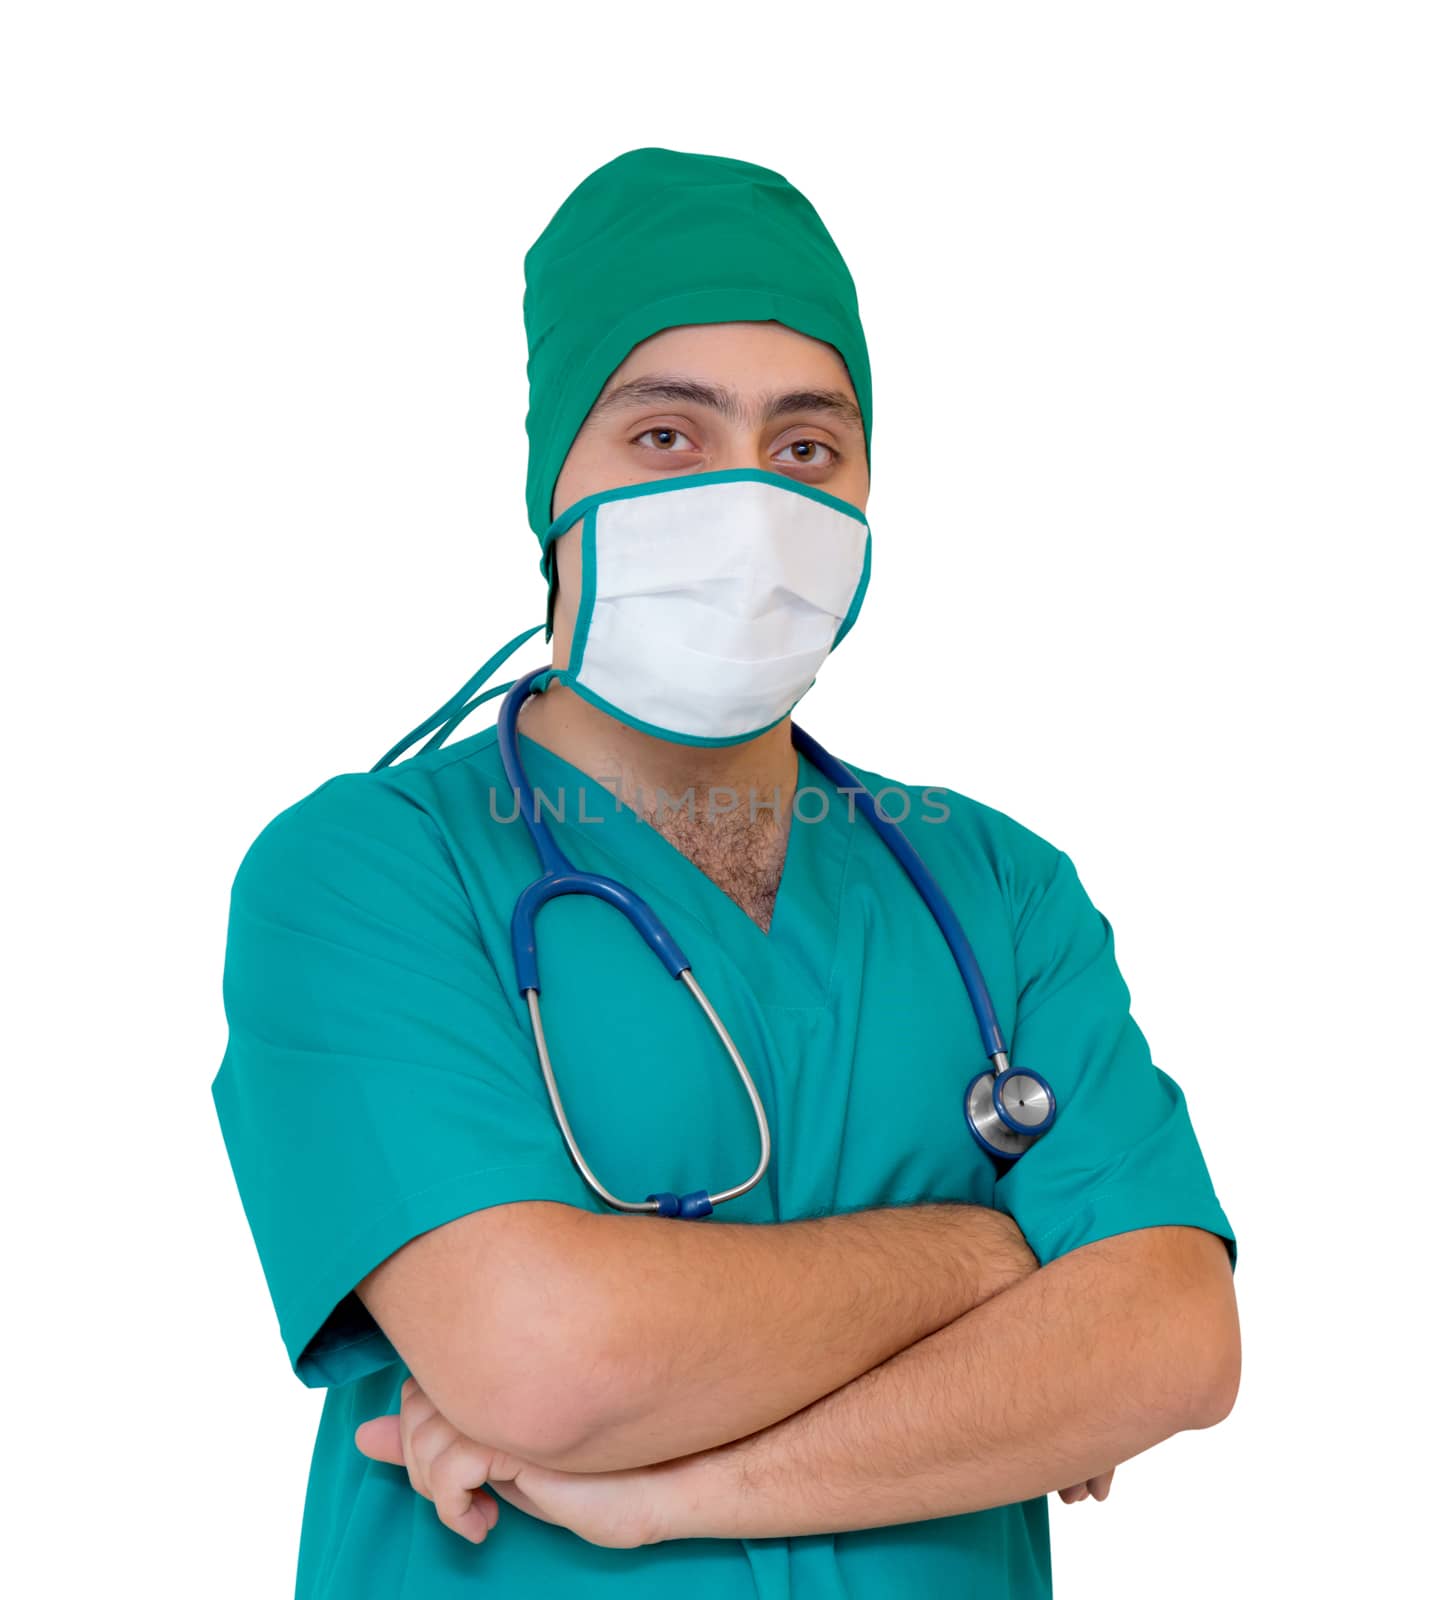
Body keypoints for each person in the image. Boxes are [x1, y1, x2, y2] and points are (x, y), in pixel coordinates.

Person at [212, 145, 1240, 1599]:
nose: (751, 506)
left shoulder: (992, 885)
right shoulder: (369, 874)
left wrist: (673, 1492)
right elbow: (544, 1360)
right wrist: (1000, 1263)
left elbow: (1174, 1338)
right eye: (668, 438)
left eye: (808, 447)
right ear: (550, 476)